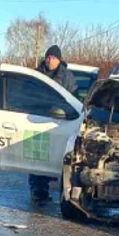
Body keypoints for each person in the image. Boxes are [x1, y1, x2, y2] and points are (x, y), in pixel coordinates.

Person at [29, 45, 78, 202]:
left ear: (59, 59)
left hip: (60, 122)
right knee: (37, 156)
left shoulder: (67, 77)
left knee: (57, 157)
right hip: (38, 120)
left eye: (54, 58)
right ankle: (38, 190)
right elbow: (28, 94)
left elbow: (73, 97)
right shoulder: (37, 74)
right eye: (48, 57)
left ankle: (62, 192)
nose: (50, 60)